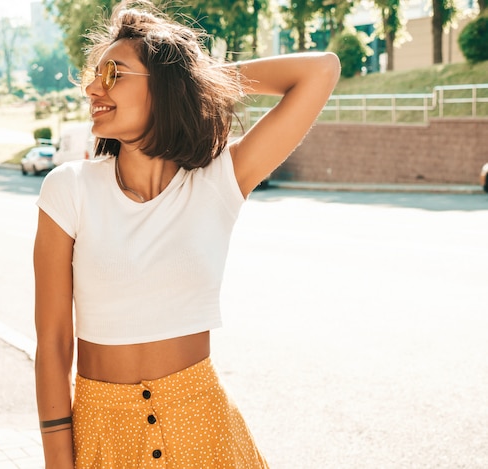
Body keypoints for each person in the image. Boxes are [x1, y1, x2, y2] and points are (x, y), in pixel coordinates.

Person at [33, 1, 340, 467]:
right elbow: (54, 344)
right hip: (104, 437)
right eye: (94, 74)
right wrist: (58, 460)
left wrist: (193, 80)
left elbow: (319, 71)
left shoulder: (218, 183)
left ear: (164, 86)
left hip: (206, 433)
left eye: (114, 74)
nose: (94, 87)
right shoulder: (69, 188)